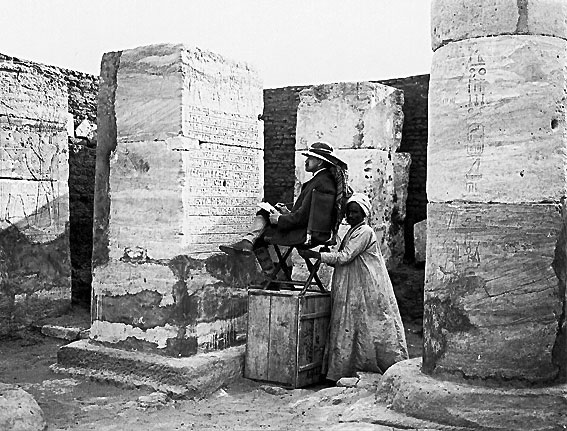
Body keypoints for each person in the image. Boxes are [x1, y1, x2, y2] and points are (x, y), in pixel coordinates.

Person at [299, 193, 408, 381]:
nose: (350, 216)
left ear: (363, 214)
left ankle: (378, 365)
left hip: (365, 285)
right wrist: (325, 255)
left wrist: (316, 255)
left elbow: (345, 257)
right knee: (350, 324)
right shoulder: (352, 231)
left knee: (365, 323)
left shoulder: (365, 232)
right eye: (349, 212)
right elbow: (342, 258)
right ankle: (344, 370)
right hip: (352, 284)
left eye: (355, 212)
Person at [219, 142, 349, 274]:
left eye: (310, 158)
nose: (306, 161)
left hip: (305, 234)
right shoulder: (324, 180)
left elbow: (303, 218)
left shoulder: (320, 183)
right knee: (265, 215)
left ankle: (271, 275)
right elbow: (309, 214)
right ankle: (249, 244)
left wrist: (280, 219)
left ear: (320, 162)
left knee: (261, 235)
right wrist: (287, 213)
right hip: (312, 232)